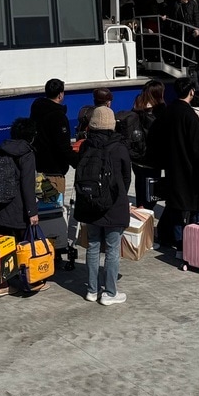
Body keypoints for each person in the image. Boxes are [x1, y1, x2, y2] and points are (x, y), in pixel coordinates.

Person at [149, 78, 199, 251]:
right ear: (191, 92)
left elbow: (155, 136)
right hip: (190, 170)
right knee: (195, 209)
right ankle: (192, 245)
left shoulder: (168, 111)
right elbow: (197, 148)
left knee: (175, 206)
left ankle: (176, 242)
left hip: (172, 167)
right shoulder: (190, 115)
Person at [76, 106, 132, 305]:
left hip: (90, 203)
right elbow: (126, 178)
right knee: (112, 249)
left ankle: (91, 290)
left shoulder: (85, 146)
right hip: (113, 204)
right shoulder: (119, 147)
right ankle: (109, 292)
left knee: (92, 246)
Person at [0, 117, 44, 297]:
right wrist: (32, 212)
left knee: (2, 248)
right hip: (18, 210)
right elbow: (28, 185)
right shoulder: (27, 154)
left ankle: (1, 285)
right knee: (24, 246)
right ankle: (29, 281)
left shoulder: (1, 149)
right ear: (31, 136)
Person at [124, 81, 165, 209]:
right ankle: (146, 215)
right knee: (152, 195)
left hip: (136, 158)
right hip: (152, 159)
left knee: (140, 187)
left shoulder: (136, 107)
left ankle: (141, 209)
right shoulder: (159, 111)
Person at [30, 79, 72, 197]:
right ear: (60, 94)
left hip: (39, 167)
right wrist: (76, 161)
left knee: (42, 205)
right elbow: (63, 146)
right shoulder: (58, 116)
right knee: (54, 206)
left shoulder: (37, 110)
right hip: (54, 170)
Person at [167, 0, 199, 66]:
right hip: (180, 30)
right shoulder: (176, 4)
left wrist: (197, 28)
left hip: (191, 29)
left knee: (195, 48)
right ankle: (183, 65)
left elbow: (196, 16)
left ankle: (196, 64)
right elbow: (172, 14)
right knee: (182, 49)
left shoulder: (193, 4)